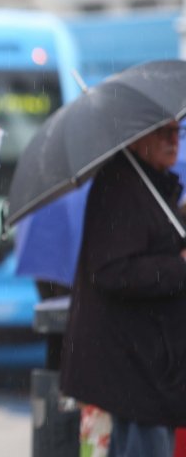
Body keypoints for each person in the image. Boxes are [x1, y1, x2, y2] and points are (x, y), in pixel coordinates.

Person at [61, 120, 186, 457]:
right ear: (135, 138)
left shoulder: (150, 185)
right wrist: (180, 265)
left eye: (178, 130)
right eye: (162, 131)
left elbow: (150, 242)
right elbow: (113, 270)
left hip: (145, 370)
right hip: (130, 376)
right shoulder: (120, 187)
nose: (173, 139)